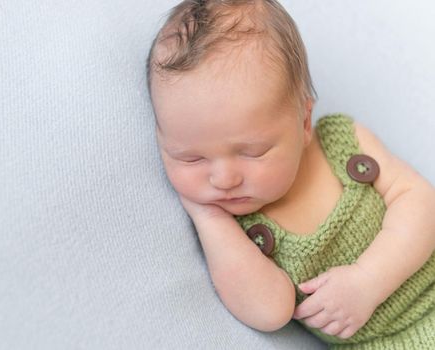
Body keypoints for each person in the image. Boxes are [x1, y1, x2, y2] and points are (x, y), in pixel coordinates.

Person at [145, 0, 435, 349]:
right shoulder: (239, 233)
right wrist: (207, 217)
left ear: (303, 122)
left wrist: (368, 280)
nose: (223, 179)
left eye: (252, 152)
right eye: (190, 158)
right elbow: (269, 311)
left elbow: (420, 203)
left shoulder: (343, 143)